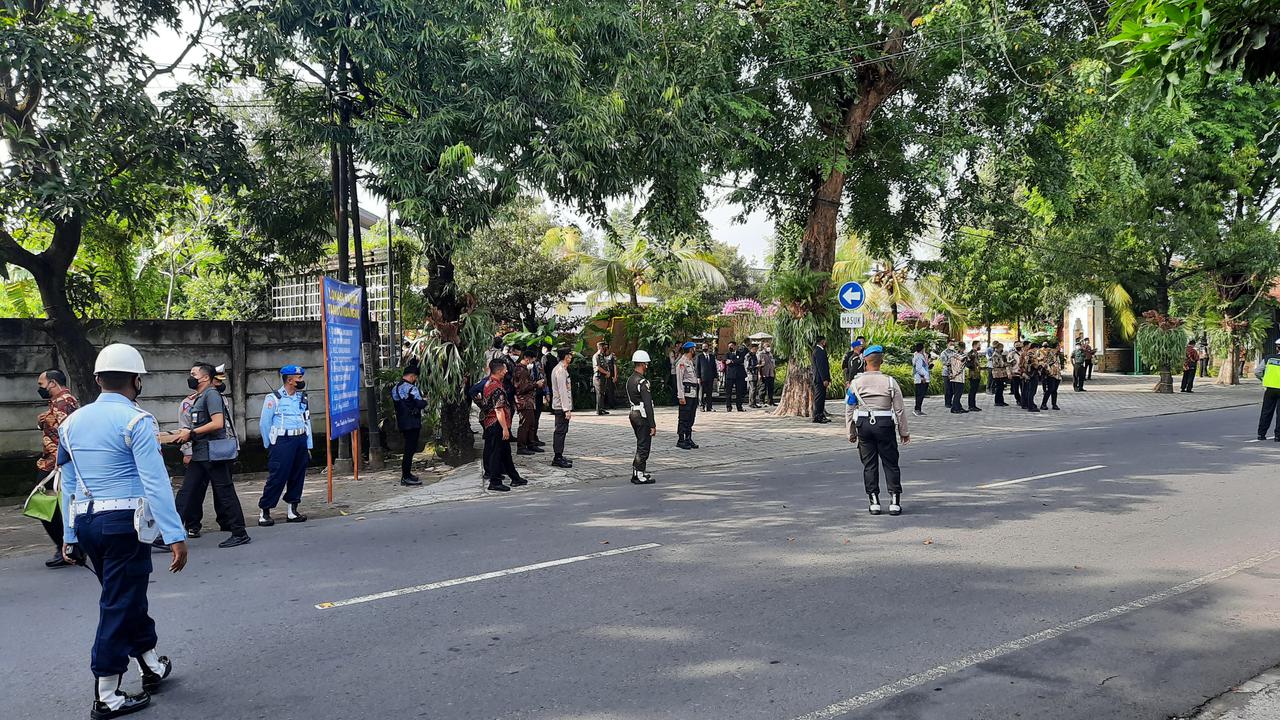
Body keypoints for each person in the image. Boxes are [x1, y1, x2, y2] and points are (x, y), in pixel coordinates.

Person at [57, 343, 188, 719]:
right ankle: (108, 695)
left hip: (86, 524)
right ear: (137, 380)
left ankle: (150, 664)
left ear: (97, 379)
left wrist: (69, 535)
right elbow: (156, 481)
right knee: (118, 602)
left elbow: (66, 484)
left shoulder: (70, 423)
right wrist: (175, 534)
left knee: (125, 596)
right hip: (124, 525)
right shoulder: (137, 421)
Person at [171, 362, 250, 547]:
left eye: (194, 374)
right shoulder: (199, 397)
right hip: (201, 454)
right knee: (185, 493)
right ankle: (170, 533)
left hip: (214, 454)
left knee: (225, 493)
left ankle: (239, 532)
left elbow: (218, 423)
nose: (190, 377)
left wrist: (191, 433)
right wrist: (186, 434)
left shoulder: (212, 395)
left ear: (205, 377)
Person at [846, 345, 909, 516]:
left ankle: (874, 501)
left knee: (869, 464)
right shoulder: (890, 382)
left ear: (864, 361)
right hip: (884, 424)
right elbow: (900, 410)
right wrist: (904, 432)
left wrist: (850, 432)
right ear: (881, 361)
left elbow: (850, 408)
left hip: (864, 426)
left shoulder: (855, 383)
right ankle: (895, 501)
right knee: (890, 462)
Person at [255, 364, 312, 529]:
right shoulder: (273, 398)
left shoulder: (302, 398)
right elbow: (264, 424)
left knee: (297, 475)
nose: (301, 380)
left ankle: (292, 510)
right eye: (299, 378)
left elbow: (307, 420)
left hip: (300, 439)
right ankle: (265, 511)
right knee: (278, 476)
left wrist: (308, 444)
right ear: (289, 380)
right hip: (282, 441)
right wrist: (270, 445)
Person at [34, 368, 78, 568]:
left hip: (55, 464)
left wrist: (62, 461)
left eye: (42, 385)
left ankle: (66, 545)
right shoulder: (63, 401)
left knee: (42, 504)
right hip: (54, 462)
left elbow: (67, 434)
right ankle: (69, 545)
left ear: (53, 383)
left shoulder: (62, 403)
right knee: (58, 505)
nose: (40, 389)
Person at [479, 358, 523, 491]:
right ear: (499, 371)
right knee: (496, 453)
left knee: (505, 451)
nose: (506, 371)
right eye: (504, 369)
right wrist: (505, 428)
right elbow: (499, 410)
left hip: (490, 423)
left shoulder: (488, 384)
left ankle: (515, 477)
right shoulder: (497, 388)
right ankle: (495, 481)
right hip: (496, 424)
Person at [391, 362, 428, 486]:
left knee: (408, 449)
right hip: (413, 422)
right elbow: (419, 404)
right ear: (412, 376)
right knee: (410, 450)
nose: (415, 379)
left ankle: (407, 474)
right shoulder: (412, 388)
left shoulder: (395, 388)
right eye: (415, 377)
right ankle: (405, 477)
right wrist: (425, 401)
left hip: (402, 422)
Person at [626, 350, 658, 484]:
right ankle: (639, 475)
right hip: (642, 414)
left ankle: (637, 472)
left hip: (633, 413)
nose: (647, 366)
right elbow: (648, 405)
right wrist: (652, 424)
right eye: (646, 364)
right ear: (643, 364)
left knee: (641, 443)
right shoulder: (643, 382)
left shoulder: (630, 379)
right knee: (644, 446)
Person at [514, 348, 544, 455]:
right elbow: (521, 388)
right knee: (525, 425)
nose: (532, 363)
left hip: (529, 401)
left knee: (531, 424)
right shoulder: (521, 370)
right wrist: (536, 384)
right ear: (527, 358)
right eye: (532, 360)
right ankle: (521, 447)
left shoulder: (525, 369)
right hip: (524, 401)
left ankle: (531, 444)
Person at [550, 348, 575, 468]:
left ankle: (559, 455)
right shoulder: (560, 371)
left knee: (563, 431)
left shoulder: (563, 369)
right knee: (560, 432)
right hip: (561, 407)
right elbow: (562, 391)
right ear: (566, 356)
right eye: (570, 355)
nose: (571, 357)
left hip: (562, 406)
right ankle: (557, 457)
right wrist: (566, 409)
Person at [675, 341, 700, 449]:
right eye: (694, 349)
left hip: (693, 393)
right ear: (690, 350)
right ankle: (681, 439)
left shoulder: (690, 362)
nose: (695, 351)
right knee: (683, 418)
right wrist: (681, 396)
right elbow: (679, 380)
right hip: (686, 393)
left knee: (691, 417)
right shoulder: (682, 362)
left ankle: (688, 438)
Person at [1254, 338, 1280, 441]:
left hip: (1270, 389)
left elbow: (1257, 371)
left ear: (1277, 348)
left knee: (1266, 412)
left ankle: (1261, 434)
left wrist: (1263, 379)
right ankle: (1278, 436)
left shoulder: (1268, 359)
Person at [592, 341, 617, 415]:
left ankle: (601, 408)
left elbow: (606, 366)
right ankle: (598, 410)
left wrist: (607, 373)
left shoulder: (602, 356)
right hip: (598, 376)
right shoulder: (596, 356)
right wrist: (606, 373)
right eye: (603, 347)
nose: (604, 348)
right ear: (600, 347)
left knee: (602, 393)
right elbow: (598, 367)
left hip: (603, 376)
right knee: (599, 393)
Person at [812, 337, 831, 423]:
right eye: (825, 341)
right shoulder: (818, 351)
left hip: (821, 378)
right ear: (822, 341)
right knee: (819, 398)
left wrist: (828, 378)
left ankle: (821, 414)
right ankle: (817, 416)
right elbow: (821, 367)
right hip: (819, 379)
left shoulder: (821, 350)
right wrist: (824, 379)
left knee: (822, 397)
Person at [723, 341, 745, 411]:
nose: (730, 347)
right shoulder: (727, 354)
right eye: (729, 346)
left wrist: (732, 361)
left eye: (732, 345)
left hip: (739, 375)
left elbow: (741, 360)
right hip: (730, 375)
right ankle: (728, 406)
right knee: (728, 392)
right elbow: (726, 361)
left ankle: (739, 406)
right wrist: (734, 361)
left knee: (739, 392)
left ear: (735, 346)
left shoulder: (740, 353)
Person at [697, 343, 719, 412]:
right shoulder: (699, 356)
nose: (705, 348)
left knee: (709, 393)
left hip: (710, 377)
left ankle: (709, 407)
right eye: (703, 347)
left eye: (706, 346)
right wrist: (698, 377)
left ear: (708, 348)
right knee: (701, 392)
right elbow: (697, 368)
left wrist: (716, 377)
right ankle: (701, 406)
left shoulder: (712, 357)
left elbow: (714, 367)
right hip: (702, 378)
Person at [1040, 342, 1062, 410]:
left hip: (1057, 374)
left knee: (1054, 390)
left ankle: (1054, 404)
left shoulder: (1057, 354)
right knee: (1050, 389)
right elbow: (1046, 362)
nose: (1060, 348)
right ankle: (1043, 404)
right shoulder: (1051, 353)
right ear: (1057, 346)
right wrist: (1049, 371)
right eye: (1059, 346)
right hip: (1051, 374)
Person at [910, 343, 930, 416]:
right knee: (920, 395)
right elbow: (919, 368)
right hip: (921, 379)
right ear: (922, 348)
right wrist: (923, 376)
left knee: (920, 395)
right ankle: (917, 410)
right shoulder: (919, 357)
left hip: (920, 378)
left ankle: (918, 409)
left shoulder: (918, 356)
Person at [948, 346, 968, 414]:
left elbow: (948, 365)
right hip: (959, 378)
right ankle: (954, 408)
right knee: (958, 394)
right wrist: (955, 374)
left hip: (952, 378)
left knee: (955, 393)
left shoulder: (951, 357)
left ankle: (959, 407)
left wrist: (951, 374)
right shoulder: (964, 358)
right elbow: (962, 368)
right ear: (962, 349)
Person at [966, 340, 984, 412]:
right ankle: (971, 406)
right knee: (972, 390)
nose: (980, 346)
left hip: (976, 374)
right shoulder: (972, 353)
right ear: (975, 345)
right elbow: (968, 362)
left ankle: (973, 405)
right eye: (979, 345)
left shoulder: (975, 353)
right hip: (973, 375)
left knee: (974, 390)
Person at [939, 341, 958, 410]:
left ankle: (951, 401)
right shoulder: (944, 353)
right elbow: (944, 363)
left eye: (953, 344)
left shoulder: (955, 352)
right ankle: (947, 403)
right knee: (948, 389)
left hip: (954, 373)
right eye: (951, 344)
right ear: (947, 345)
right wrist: (952, 361)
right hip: (946, 373)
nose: (952, 345)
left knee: (953, 389)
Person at [990, 341, 1010, 406]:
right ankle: (997, 401)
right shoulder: (995, 354)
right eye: (1002, 347)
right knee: (999, 387)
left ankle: (1001, 401)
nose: (1002, 349)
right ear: (999, 347)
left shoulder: (999, 354)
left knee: (1001, 387)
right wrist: (1005, 364)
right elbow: (996, 364)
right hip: (997, 373)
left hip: (1001, 373)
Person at [758, 342, 777, 406]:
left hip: (771, 373)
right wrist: (759, 374)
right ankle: (761, 401)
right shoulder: (760, 354)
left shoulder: (770, 354)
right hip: (764, 373)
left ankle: (770, 401)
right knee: (763, 388)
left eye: (769, 346)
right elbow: (758, 364)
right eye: (767, 346)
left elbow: (773, 364)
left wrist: (774, 372)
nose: (769, 348)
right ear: (764, 347)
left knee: (771, 388)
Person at [1007, 341, 1024, 406]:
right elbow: (1008, 364)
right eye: (1016, 345)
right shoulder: (1011, 354)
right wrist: (1009, 373)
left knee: (1023, 388)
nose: (1018, 346)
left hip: (1022, 374)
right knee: (1015, 389)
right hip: (1014, 373)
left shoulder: (1024, 353)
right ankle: (1018, 400)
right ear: (1014, 346)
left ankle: (1023, 400)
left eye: (1019, 345)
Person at [746, 342, 762, 408]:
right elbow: (747, 366)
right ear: (751, 349)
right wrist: (755, 366)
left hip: (755, 373)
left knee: (754, 389)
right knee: (752, 389)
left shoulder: (754, 355)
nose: (756, 350)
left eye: (757, 349)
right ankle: (751, 403)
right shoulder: (748, 356)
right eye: (755, 349)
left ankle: (754, 403)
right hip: (751, 373)